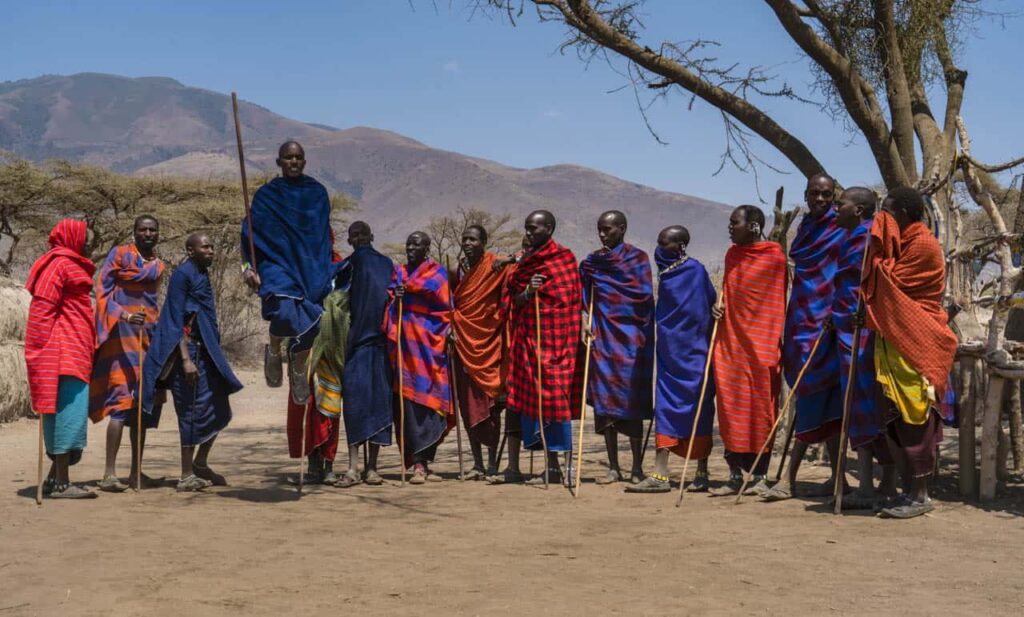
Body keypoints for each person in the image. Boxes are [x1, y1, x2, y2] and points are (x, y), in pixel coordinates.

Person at [241, 141, 342, 483]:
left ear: (305, 160)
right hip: (276, 266)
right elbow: (248, 236)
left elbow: (320, 236)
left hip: (311, 268)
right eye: (288, 157)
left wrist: (326, 268)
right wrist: (247, 269)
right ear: (278, 160)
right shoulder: (267, 196)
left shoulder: (317, 193)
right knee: (282, 312)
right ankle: (273, 349)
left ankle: (298, 366)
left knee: (311, 324)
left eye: (299, 157)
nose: (294, 161)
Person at [862, 187, 958, 518]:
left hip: (920, 341)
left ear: (903, 212)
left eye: (886, 212)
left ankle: (920, 495)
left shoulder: (924, 246)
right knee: (897, 420)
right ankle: (906, 492)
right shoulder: (900, 246)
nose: (881, 219)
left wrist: (874, 260)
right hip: (896, 342)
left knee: (916, 418)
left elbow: (889, 284)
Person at [763, 174, 848, 502]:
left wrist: (835, 312)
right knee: (818, 396)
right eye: (815, 194)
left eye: (827, 194)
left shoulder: (840, 228)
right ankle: (838, 479)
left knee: (820, 397)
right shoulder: (805, 229)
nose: (821, 200)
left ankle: (788, 478)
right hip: (801, 319)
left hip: (829, 323)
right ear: (806, 194)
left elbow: (846, 276)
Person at [142, 233, 243, 491]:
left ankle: (200, 462)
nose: (211, 251)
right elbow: (176, 319)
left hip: (206, 352)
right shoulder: (183, 275)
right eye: (205, 247)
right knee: (189, 411)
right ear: (190, 250)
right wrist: (186, 360)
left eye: (212, 246)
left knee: (220, 407)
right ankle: (186, 475)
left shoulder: (201, 273)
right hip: (187, 355)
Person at [493, 210, 582, 485]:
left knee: (556, 401)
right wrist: (529, 292)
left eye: (534, 228)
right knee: (533, 404)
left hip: (557, 344)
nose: (529, 233)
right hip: (529, 342)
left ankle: (567, 467)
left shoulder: (564, 260)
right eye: (526, 228)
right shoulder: (525, 263)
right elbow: (514, 302)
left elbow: (572, 301)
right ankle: (551, 467)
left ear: (550, 228)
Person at [627, 226, 717, 494]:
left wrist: (716, 310)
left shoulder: (696, 271)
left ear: (679, 246)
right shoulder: (665, 274)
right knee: (664, 409)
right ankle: (660, 474)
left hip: (695, 355)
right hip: (669, 355)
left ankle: (702, 472)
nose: (657, 249)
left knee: (699, 410)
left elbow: (710, 303)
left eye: (663, 244)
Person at [710, 205, 787, 496]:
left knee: (760, 406)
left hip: (762, 342)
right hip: (731, 342)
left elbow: (775, 301)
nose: (730, 227)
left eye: (735, 223)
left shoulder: (774, 257)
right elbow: (729, 292)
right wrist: (719, 307)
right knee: (730, 405)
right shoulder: (733, 255)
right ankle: (733, 473)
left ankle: (759, 474)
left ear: (754, 226)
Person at [832, 186, 897, 510]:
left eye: (839, 204)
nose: (834, 209)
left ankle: (878, 484)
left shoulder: (869, 241)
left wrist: (863, 314)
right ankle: (869, 485)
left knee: (868, 407)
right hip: (847, 333)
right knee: (856, 408)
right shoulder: (851, 239)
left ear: (857, 210)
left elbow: (878, 287)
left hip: (864, 336)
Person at [89, 215, 165, 492]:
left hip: (147, 338)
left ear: (158, 234)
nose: (147, 233)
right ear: (134, 232)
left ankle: (136, 473)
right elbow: (102, 293)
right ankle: (109, 474)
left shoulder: (158, 265)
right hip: (119, 339)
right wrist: (123, 314)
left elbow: (152, 302)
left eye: (152, 229)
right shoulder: (120, 254)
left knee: (141, 407)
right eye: (142, 229)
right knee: (120, 404)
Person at [579, 210, 654, 485]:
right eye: (599, 229)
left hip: (632, 341)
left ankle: (636, 468)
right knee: (604, 404)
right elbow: (583, 298)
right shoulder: (592, 263)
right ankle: (613, 467)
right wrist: (584, 320)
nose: (602, 234)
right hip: (603, 339)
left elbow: (645, 297)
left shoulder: (638, 259)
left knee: (631, 402)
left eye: (608, 229)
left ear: (621, 229)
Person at [24, 219, 97, 499]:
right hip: (62, 351)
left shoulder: (70, 263)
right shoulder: (58, 265)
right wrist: (41, 351)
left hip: (74, 348)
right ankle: (63, 483)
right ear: (73, 239)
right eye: (86, 240)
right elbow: (42, 311)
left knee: (68, 412)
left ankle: (55, 478)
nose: (89, 244)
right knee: (69, 413)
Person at [385, 232, 453, 483]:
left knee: (428, 406)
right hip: (404, 351)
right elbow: (389, 300)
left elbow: (446, 310)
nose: (410, 247)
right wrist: (396, 296)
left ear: (427, 248)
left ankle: (423, 463)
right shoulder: (398, 273)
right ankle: (415, 463)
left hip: (429, 351)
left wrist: (410, 292)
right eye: (408, 243)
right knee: (406, 408)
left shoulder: (438, 274)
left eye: (416, 244)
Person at [333, 222, 395, 488]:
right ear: (349, 240)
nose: (358, 238)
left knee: (379, 406)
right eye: (354, 235)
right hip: (354, 345)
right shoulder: (346, 267)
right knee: (355, 406)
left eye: (362, 233)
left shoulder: (387, 265)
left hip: (380, 345)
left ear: (372, 236)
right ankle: (352, 468)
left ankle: (372, 468)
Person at [450, 225, 509, 479]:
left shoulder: (496, 264)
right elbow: (450, 303)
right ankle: (477, 464)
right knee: (468, 406)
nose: (467, 243)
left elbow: (518, 273)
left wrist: (510, 261)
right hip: (463, 344)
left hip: (489, 344)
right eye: (464, 239)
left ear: (484, 242)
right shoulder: (456, 270)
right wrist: (451, 325)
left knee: (491, 406)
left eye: (473, 239)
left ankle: (493, 463)